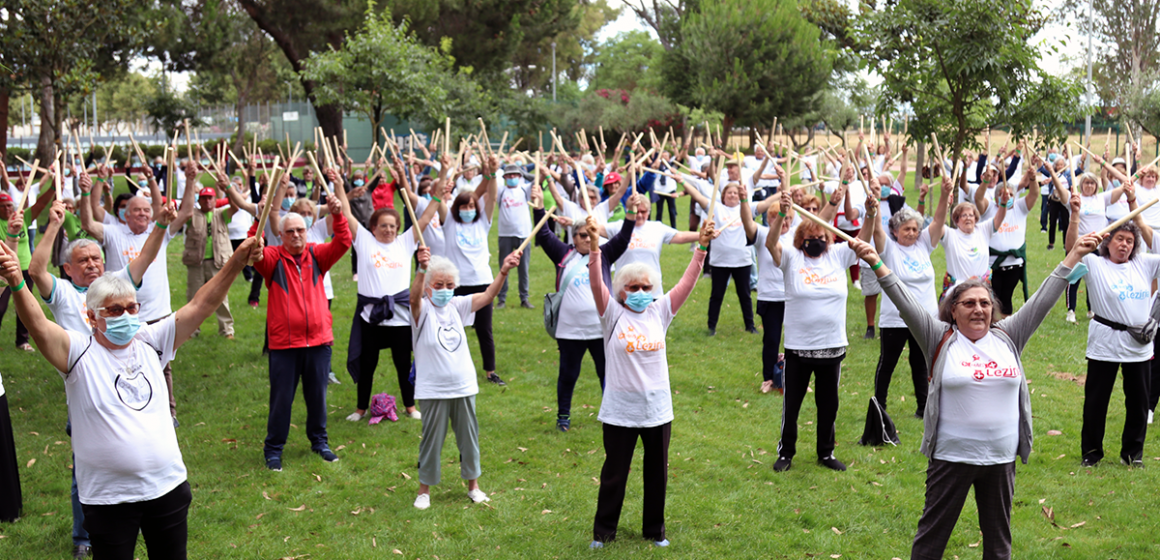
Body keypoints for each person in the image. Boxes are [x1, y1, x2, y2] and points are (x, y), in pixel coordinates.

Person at [0, 222, 262, 559]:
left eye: (132, 308)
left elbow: (201, 304)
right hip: (108, 500)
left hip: (166, 488)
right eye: (115, 310)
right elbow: (37, 325)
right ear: (93, 317)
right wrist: (17, 283)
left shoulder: (151, 341)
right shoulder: (78, 353)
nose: (127, 316)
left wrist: (236, 261)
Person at [851, 226, 1101, 560]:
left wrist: (1074, 256)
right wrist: (876, 262)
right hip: (951, 458)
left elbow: (1042, 298)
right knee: (930, 542)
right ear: (953, 310)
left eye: (984, 303)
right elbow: (904, 301)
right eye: (968, 303)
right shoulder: (938, 337)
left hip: (1000, 460)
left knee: (998, 546)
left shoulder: (1009, 335)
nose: (978, 309)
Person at [32, 193, 175, 559]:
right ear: (69, 268)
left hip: (126, 381)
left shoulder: (115, 284)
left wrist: (160, 223)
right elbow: (34, 272)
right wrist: (53, 225)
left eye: (96, 257)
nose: (93, 264)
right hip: (87, 393)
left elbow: (144, 258)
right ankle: (85, 537)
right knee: (86, 469)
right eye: (83, 260)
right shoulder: (63, 293)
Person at [588, 216, 714, 549]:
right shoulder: (611, 314)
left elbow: (687, 281)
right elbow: (596, 282)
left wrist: (701, 248)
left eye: (646, 287)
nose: (641, 293)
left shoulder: (661, 311)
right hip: (619, 410)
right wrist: (593, 251)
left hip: (657, 409)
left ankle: (654, 531)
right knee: (614, 473)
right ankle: (603, 533)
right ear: (621, 291)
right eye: (633, 288)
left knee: (656, 474)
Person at [767, 186, 877, 472]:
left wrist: (871, 214)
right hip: (798, 346)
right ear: (800, 240)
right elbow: (771, 244)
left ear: (829, 238)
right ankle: (786, 452)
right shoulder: (792, 258)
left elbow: (863, 240)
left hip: (831, 345)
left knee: (828, 405)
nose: (815, 242)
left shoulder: (838, 255)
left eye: (820, 238)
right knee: (792, 405)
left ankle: (825, 453)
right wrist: (781, 213)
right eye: (809, 238)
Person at [409, 246, 523, 510]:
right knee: (431, 441)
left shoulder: (457, 305)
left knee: (468, 439)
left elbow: (488, 295)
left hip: (464, 386)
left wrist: (504, 271)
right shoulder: (421, 309)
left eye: (450, 284)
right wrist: (421, 269)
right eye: (439, 284)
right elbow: (414, 299)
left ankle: (474, 487)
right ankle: (424, 491)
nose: (445, 289)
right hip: (433, 389)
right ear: (428, 287)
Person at [254, 169, 352, 472]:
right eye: (290, 232)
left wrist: (338, 216)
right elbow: (251, 250)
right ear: (280, 236)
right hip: (284, 344)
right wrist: (259, 221)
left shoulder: (317, 255)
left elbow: (344, 242)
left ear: (307, 231)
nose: (296, 235)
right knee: (281, 399)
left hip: (319, 341)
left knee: (317, 397)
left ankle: (319, 442)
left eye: (300, 230)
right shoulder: (272, 259)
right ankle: (274, 450)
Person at [533, 181, 642, 431]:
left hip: (601, 329)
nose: (586, 239)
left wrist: (630, 213)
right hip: (569, 330)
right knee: (568, 374)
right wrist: (539, 206)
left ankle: (611, 412)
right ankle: (563, 416)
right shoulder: (562, 254)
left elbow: (624, 237)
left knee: (606, 373)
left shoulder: (604, 254)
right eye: (582, 235)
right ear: (574, 238)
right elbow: (544, 234)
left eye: (590, 234)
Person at [1065, 186, 1155, 467]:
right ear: (1108, 241)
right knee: (1096, 402)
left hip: (1138, 346)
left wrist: (1134, 205)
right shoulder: (1095, 263)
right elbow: (1071, 250)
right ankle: (1091, 453)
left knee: (1138, 404)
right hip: (1104, 344)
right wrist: (1075, 215)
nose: (1125, 245)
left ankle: (1133, 454)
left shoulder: (1145, 263)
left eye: (1129, 240)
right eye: (1119, 239)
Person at [341, 170, 440, 423]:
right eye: (382, 225)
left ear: (398, 229)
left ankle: (410, 406)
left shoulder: (405, 243)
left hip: (400, 317)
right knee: (367, 364)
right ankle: (361, 408)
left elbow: (426, 218)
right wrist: (336, 184)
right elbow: (346, 212)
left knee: (403, 363)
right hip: (370, 316)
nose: (387, 230)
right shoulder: (363, 240)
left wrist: (438, 196)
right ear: (373, 227)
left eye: (392, 226)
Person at [870, 178, 947, 420]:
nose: (912, 233)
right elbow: (876, 232)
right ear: (895, 231)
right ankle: (879, 407)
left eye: (915, 229)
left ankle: (923, 407)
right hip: (895, 319)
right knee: (888, 363)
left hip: (924, 317)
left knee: (921, 363)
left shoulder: (924, 244)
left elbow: (939, 221)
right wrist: (872, 209)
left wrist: (945, 195)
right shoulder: (889, 249)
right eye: (906, 229)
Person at [437, 154, 507, 385]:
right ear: (457, 208)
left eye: (471, 206)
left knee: (484, 329)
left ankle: (490, 371)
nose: (468, 209)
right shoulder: (449, 223)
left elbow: (492, 197)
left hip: (482, 282)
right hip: (456, 284)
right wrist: (444, 172)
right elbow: (438, 198)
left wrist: (493, 174)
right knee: (451, 327)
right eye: (464, 206)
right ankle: (451, 367)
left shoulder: (482, 222)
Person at [683, 178, 757, 335]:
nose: (732, 195)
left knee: (745, 295)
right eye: (729, 192)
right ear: (723, 196)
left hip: (742, 261)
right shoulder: (715, 208)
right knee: (716, 295)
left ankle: (750, 326)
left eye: (735, 193)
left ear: (740, 196)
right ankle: (711, 327)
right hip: (719, 262)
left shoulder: (746, 209)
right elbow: (696, 194)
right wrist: (681, 181)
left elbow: (766, 205)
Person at [172, 173, 238, 339]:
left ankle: (227, 330)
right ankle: (191, 330)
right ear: (199, 200)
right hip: (196, 263)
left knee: (221, 298)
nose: (207, 201)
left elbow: (235, 207)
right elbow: (183, 209)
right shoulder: (191, 216)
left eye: (210, 198)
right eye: (204, 198)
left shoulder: (221, 214)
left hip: (218, 263)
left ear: (215, 200)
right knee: (193, 298)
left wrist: (228, 188)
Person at [938, 176, 1007, 301]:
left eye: (971, 215)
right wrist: (945, 202)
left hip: (982, 290)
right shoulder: (950, 235)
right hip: (957, 292)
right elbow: (938, 223)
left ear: (976, 219)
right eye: (964, 215)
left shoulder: (983, 230)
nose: (968, 218)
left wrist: (1003, 204)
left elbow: (998, 219)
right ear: (957, 220)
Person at [495, 163, 534, 309]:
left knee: (523, 268)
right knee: (503, 267)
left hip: (523, 234)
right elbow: (491, 185)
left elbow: (538, 179)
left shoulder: (525, 189)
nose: (512, 177)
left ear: (519, 177)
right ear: (505, 177)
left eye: (515, 175)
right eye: (509, 175)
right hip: (505, 234)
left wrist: (524, 173)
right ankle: (501, 299)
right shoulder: (501, 191)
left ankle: (524, 298)